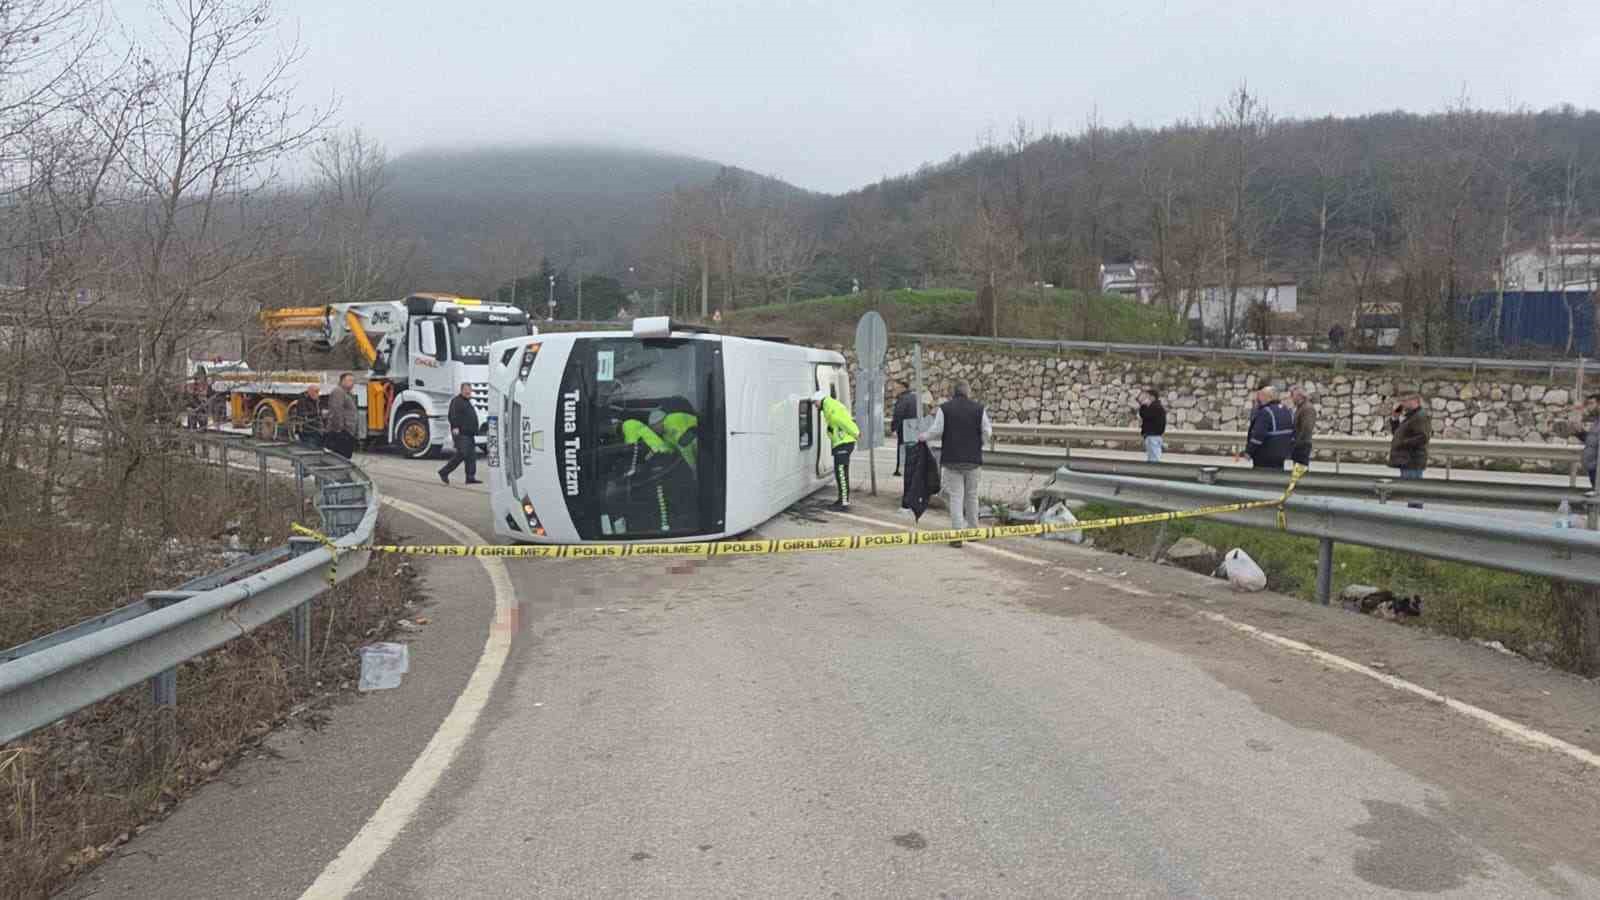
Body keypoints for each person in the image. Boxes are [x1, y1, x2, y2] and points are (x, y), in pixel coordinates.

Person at [918, 381, 994, 547]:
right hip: (973, 460)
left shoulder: (945, 409)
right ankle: (973, 531)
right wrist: (979, 443)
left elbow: (937, 430)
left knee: (956, 498)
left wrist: (923, 437)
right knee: (972, 496)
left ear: (954, 393)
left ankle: (957, 534)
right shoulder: (979, 409)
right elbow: (988, 431)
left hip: (951, 460)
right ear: (968, 392)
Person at [814, 389, 860, 510]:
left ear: (820, 400)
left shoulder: (830, 407)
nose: (815, 405)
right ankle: (842, 500)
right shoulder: (828, 406)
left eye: (815, 403)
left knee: (841, 473)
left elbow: (843, 421)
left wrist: (856, 432)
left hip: (843, 443)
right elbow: (834, 425)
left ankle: (844, 503)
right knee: (841, 473)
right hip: (841, 443)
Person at [1388, 390, 1430, 509]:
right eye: (1402, 401)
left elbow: (1423, 437)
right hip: (1407, 460)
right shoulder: (1411, 416)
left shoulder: (1420, 416)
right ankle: (1413, 517)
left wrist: (1402, 443)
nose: (1403, 404)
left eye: (1405, 401)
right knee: (1410, 492)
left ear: (1414, 401)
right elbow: (1397, 434)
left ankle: (1415, 518)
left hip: (1413, 460)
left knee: (1413, 494)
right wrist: (1395, 419)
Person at [438, 382, 482, 485]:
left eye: (469, 389)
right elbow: (452, 415)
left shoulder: (467, 401)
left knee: (471, 456)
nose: (468, 391)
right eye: (466, 389)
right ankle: (444, 472)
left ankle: (470, 477)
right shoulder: (456, 401)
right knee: (462, 453)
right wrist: (455, 427)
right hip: (461, 433)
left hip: (469, 433)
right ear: (461, 390)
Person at [1244, 385, 1295, 470]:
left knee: (1261, 479)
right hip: (1281, 454)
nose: (1259, 398)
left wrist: (1249, 451)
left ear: (1268, 397)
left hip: (1265, 455)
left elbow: (1258, 435)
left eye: (1261, 395)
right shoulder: (1286, 410)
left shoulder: (1266, 412)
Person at [324, 372, 360, 460]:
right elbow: (336, 411)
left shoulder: (347, 394)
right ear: (342, 381)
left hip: (347, 432)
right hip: (342, 433)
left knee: (345, 458)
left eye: (353, 381)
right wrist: (339, 431)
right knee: (340, 459)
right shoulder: (338, 392)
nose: (352, 383)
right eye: (349, 380)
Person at [890, 380, 918, 477]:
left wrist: (893, 427)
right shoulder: (915, 397)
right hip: (915, 428)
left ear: (903, 388)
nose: (895, 390)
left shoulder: (903, 399)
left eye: (896, 388)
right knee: (913, 449)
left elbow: (898, 414)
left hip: (905, 428)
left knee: (902, 449)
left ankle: (900, 469)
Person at [1289, 385, 1317, 468]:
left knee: (1300, 472)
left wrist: (1297, 442)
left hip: (1302, 445)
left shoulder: (1307, 408)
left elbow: (1307, 428)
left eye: (1292, 395)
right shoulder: (1300, 407)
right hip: (1299, 445)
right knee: (1297, 471)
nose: (1291, 398)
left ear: (1299, 396)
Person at [289, 385, 324, 449]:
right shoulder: (302, 400)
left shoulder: (317, 401)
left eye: (318, 392)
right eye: (316, 392)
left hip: (316, 428)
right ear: (310, 392)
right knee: (309, 446)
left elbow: (320, 413)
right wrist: (315, 414)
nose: (317, 394)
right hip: (306, 429)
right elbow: (302, 414)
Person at [1137, 389, 1167, 463]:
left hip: (1152, 435)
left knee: (1153, 459)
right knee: (1153, 456)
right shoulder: (1157, 406)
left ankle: (1154, 472)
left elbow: (1144, 415)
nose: (1146, 398)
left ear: (1152, 397)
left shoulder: (1154, 407)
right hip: (1155, 435)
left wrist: (1143, 406)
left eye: (1147, 396)